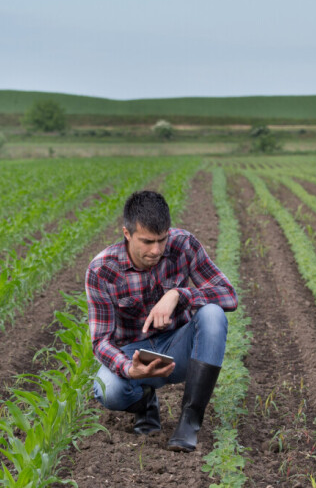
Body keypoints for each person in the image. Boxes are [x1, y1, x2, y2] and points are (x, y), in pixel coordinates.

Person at [85, 190, 237, 452]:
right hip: (135, 355)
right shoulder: (102, 270)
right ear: (127, 233)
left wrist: (178, 294)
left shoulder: (183, 245)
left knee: (213, 314)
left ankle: (189, 422)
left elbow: (228, 295)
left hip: (178, 348)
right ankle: (145, 403)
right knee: (108, 390)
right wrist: (128, 368)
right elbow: (100, 341)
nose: (156, 250)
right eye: (147, 241)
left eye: (162, 240)